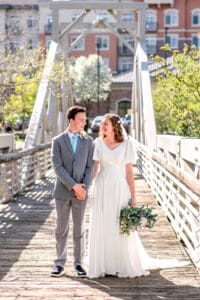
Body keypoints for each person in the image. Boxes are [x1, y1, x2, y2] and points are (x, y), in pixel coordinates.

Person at [88, 113, 187, 278]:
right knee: (103, 223)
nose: (102, 126)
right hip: (102, 187)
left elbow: (129, 173)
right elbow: (94, 170)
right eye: (102, 124)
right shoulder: (97, 143)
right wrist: (84, 187)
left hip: (120, 187)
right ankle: (104, 264)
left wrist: (133, 198)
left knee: (119, 224)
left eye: (106, 123)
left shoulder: (126, 145)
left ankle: (120, 263)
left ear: (115, 126)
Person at [51, 106, 94, 277]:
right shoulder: (58, 141)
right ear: (71, 121)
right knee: (61, 228)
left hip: (81, 193)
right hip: (62, 192)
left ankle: (78, 264)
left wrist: (83, 187)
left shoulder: (88, 141)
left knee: (79, 229)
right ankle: (59, 263)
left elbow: (90, 166)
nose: (84, 123)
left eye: (85, 120)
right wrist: (73, 186)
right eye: (81, 120)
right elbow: (57, 167)